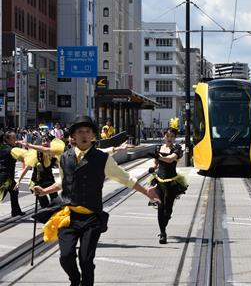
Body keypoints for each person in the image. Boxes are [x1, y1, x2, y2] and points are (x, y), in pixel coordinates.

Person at [32, 116, 159, 286]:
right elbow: (64, 182)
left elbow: (125, 178)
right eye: (79, 132)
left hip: (91, 218)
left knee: (86, 260)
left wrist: (146, 192)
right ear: (73, 137)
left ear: (93, 136)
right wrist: (44, 190)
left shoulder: (102, 158)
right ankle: (75, 279)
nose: (84, 135)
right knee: (66, 256)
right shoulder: (65, 157)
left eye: (87, 131)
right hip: (68, 216)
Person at [149, 127, 188, 244]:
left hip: (171, 181)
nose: (169, 138)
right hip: (159, 181)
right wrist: (153, 167)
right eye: (167, 136)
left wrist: (158, 157)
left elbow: (170, 160)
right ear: (164, 136)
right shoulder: (158, 148)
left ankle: (165, 220)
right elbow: (156, 163)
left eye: (172, 136)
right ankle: (163, 233)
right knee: (160, 207)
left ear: (175, 137)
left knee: (168, 210)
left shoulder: (177, 148)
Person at [15, 135, 65, 208]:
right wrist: (19, 181)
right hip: (37, 182)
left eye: (47, 141)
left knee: (56, 202)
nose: (45, 143)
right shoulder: (35, 154)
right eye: (43, 141)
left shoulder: (54, 154)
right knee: (44, 204)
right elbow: (26, 168)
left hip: (49, 180)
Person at [0, 131, 25, 217]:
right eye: (13, 138)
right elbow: (22, 158)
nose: (15, 140)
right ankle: (15, 211)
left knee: (14, 191)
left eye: (15, 138)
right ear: (7, 139)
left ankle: (16, 211)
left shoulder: (4, 147)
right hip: (5, 178)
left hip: (8, 177)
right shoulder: (10, 150)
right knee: (1, 196)